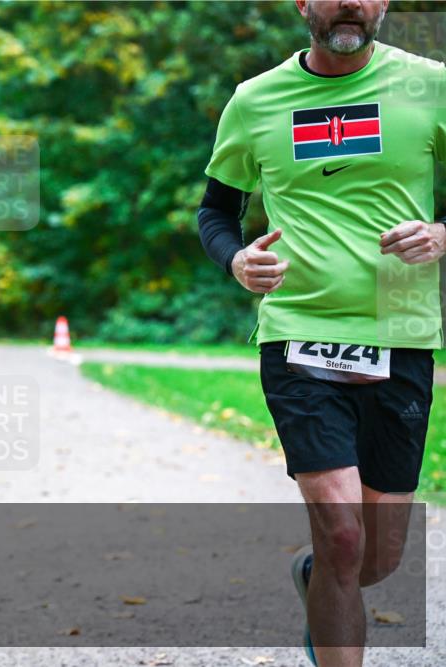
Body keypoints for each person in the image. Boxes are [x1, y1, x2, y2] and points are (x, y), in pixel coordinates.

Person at [198, 2, 445, 665]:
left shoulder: (431, 85)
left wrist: (442, 232)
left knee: (379, 554)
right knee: (343, 535)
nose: (350, 2)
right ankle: (330, 571)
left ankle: (319, 581)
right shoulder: (257, 100)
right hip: (297, 331)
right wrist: (235, 258)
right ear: (303, 3)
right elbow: (216, 210)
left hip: (402, 331)